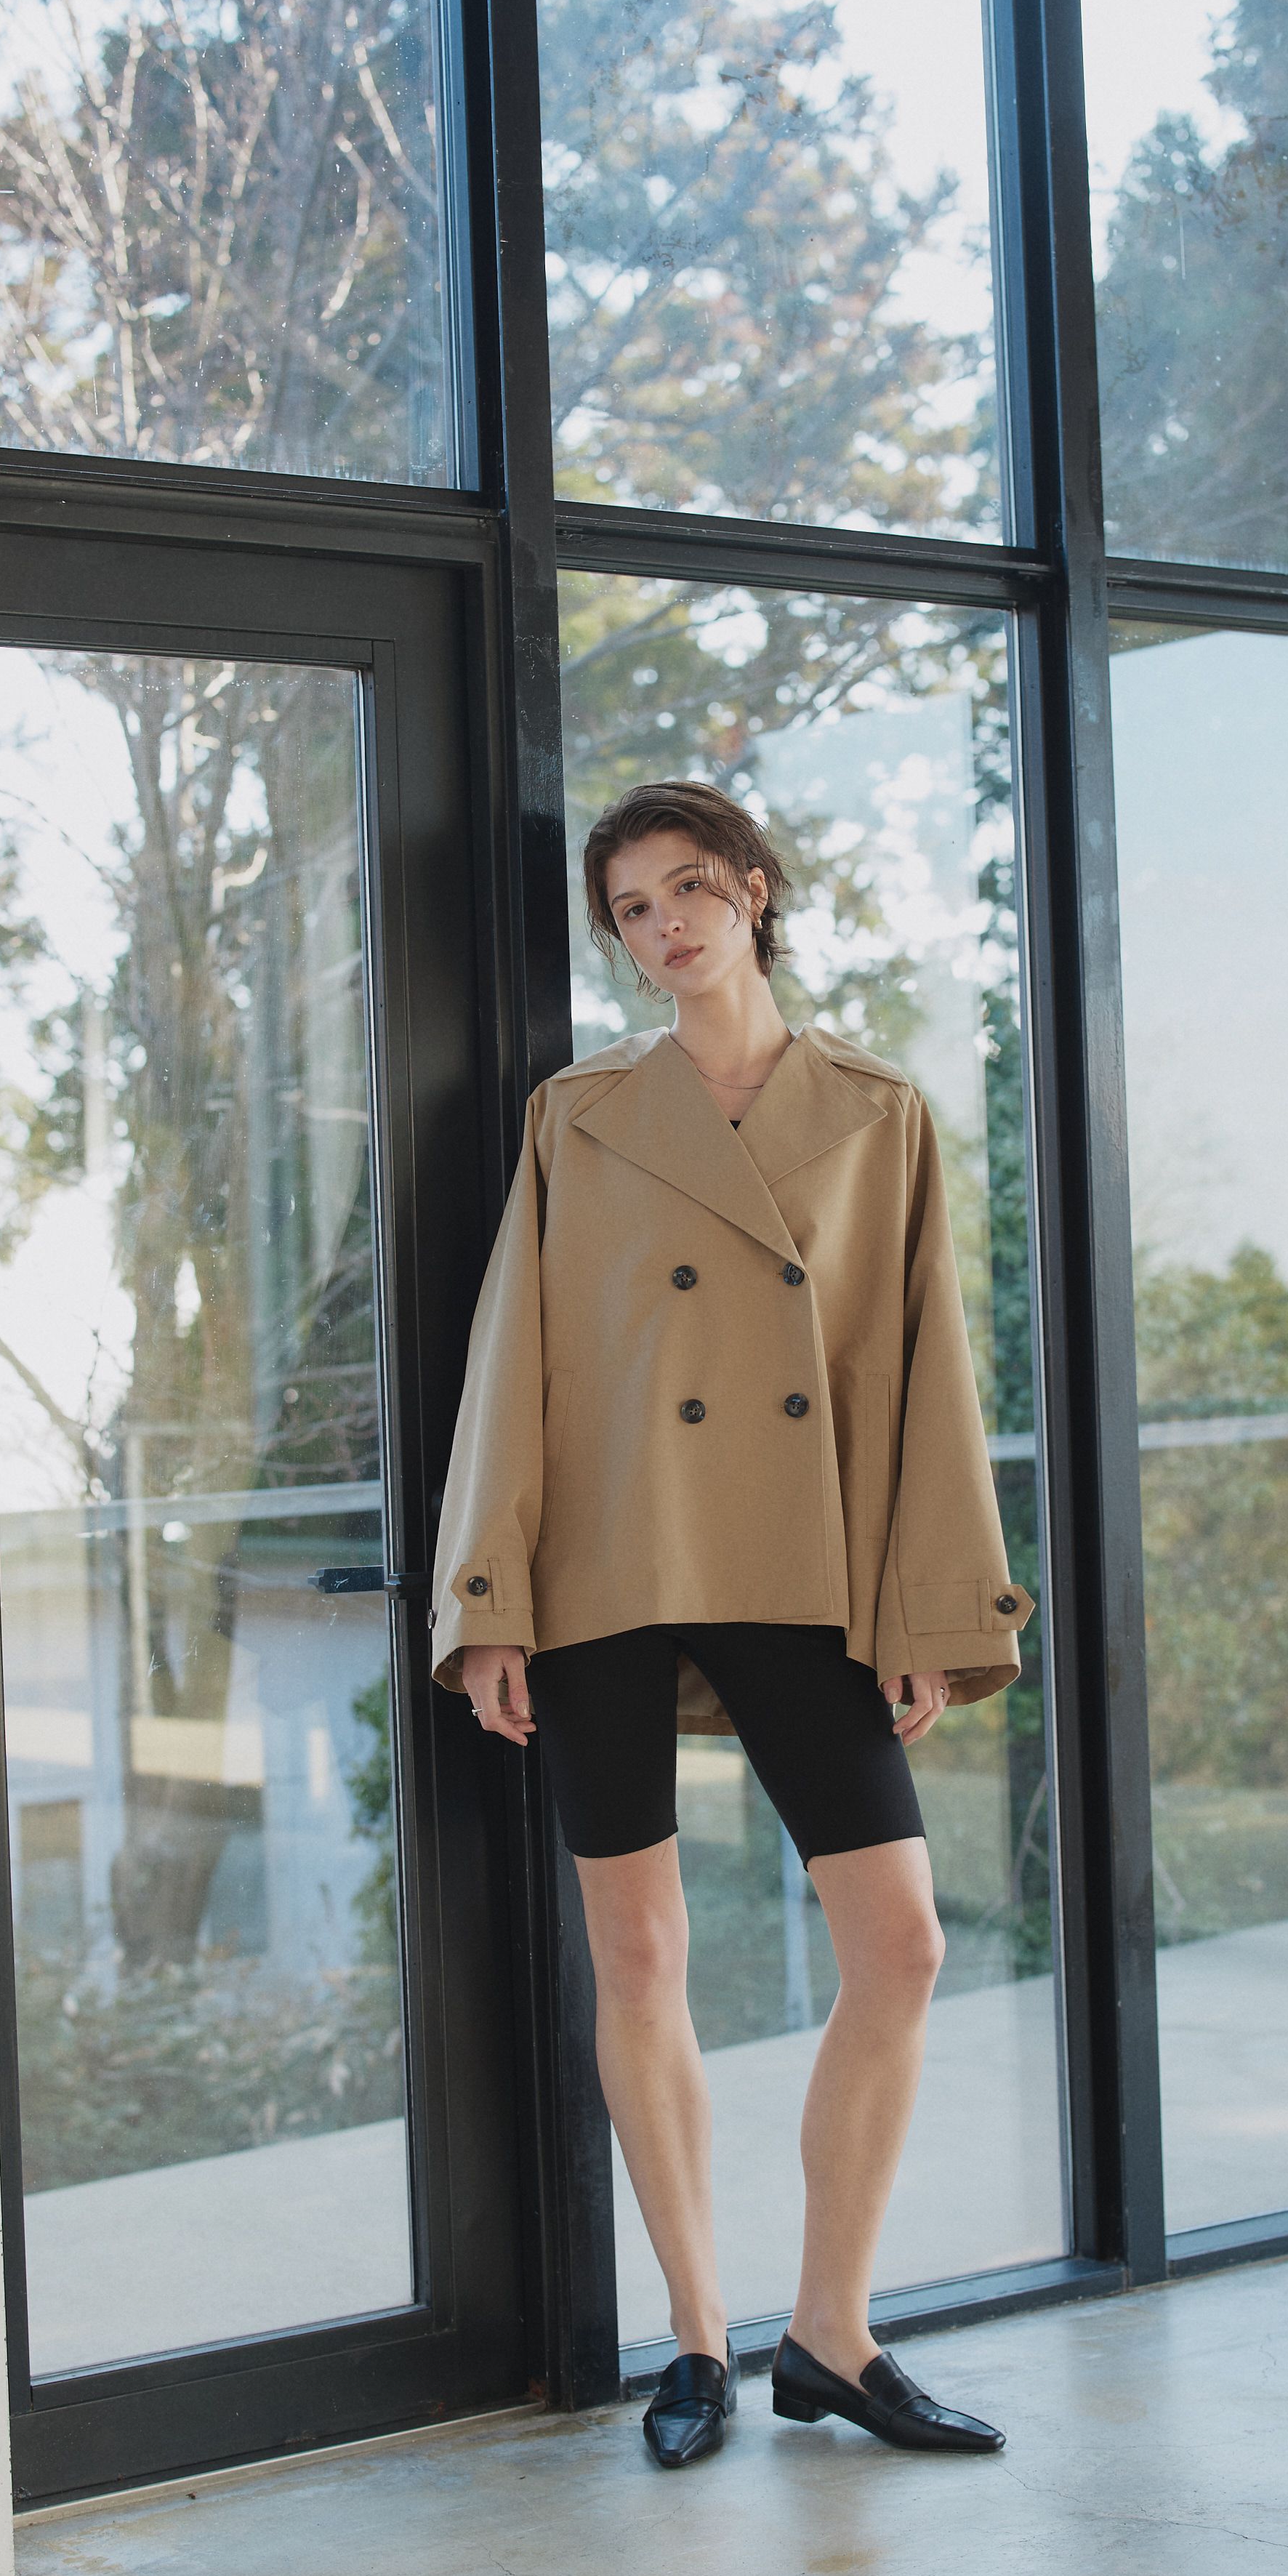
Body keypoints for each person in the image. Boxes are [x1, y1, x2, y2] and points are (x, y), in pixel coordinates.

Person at [427, 778, 1036, 2468]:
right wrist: (491, 1598)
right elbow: (515, 1362)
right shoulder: (580, 1113)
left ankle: (830, 2334)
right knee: (638, 1955)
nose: (665, 925)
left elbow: (918, 1373)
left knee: (899, 1944)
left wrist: (920, 1603)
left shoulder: (876, 1111)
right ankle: (695, 2338)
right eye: (631, 907)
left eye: (689, 886)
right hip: (609, 1565)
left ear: (754, 888)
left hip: (801, 1564)